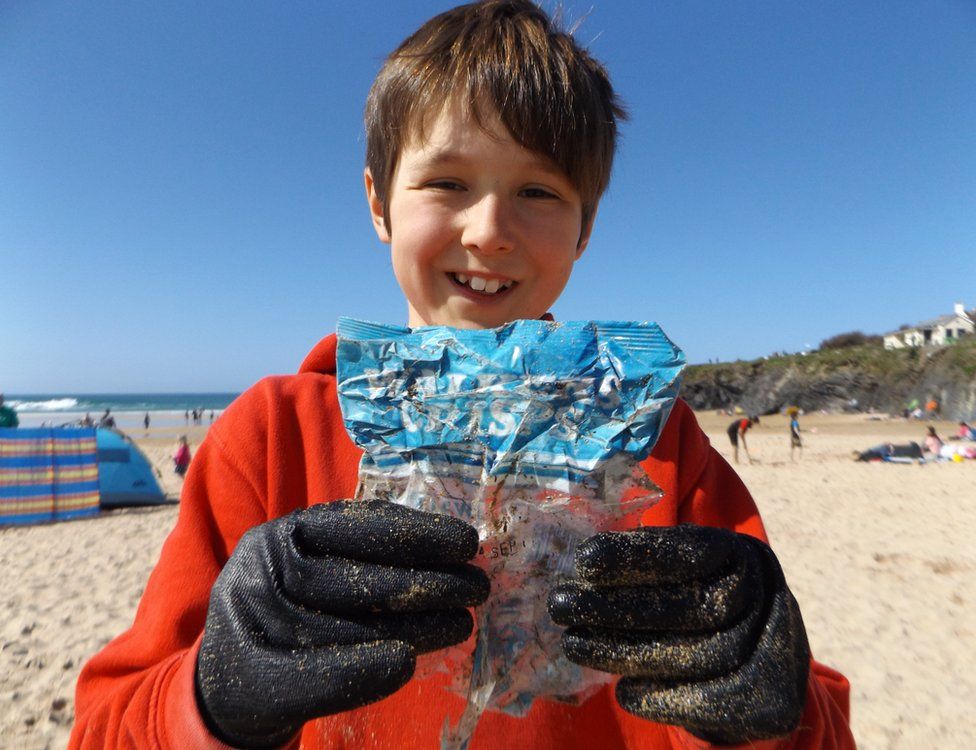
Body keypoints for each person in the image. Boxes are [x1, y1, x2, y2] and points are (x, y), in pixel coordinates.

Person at [70, 4, 854, 749]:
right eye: (447, 182)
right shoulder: (270, 436)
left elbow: (812, 722)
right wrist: (214, 695)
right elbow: (104, 726)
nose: (490, 231)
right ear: (379, 202)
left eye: (538, 192)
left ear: (585, 231)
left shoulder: (655, 437)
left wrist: (762, 702)